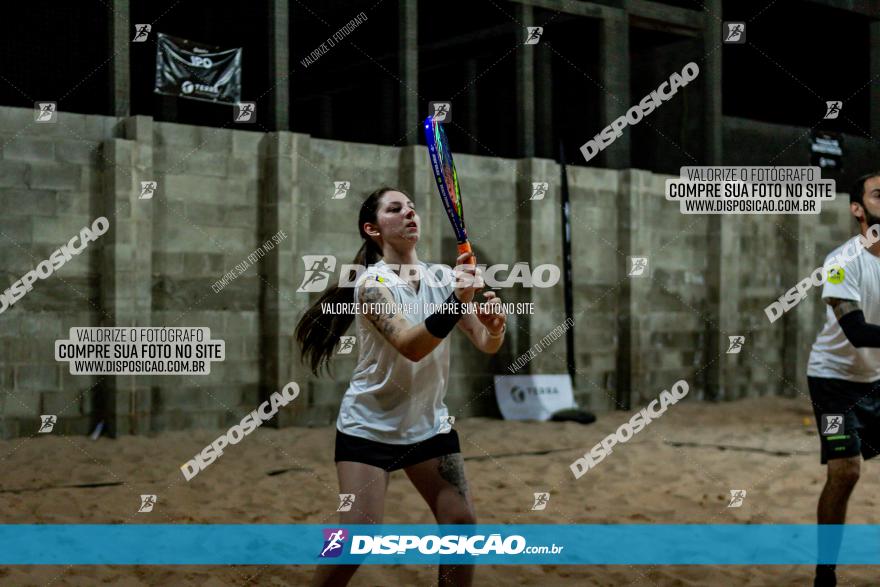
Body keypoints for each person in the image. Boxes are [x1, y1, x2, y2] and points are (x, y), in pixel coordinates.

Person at [296, 187, 507, 587]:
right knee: (356, 541)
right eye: (396, 210)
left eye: (412, 208)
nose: (410, 214)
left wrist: (495, 328)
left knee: (461, 528)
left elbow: (484, 343)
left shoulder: (442, 277)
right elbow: (411, 346)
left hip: (428, 425)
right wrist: (457, 300)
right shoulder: (372, 286)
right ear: (372, 228)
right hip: (369, 427)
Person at [806, 172, 880, 587]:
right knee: (846, 471)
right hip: (833, 383)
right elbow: (857, 332)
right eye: (879, 195)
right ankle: (825, 572)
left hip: (878, 378)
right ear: (858, 208)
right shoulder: (840, 263)